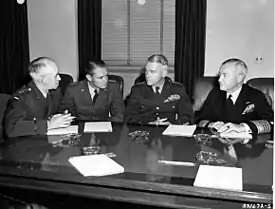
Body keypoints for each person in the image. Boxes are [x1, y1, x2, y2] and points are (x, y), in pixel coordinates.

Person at [197, 58, 273, 137]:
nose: (219, 79)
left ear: (239, 77)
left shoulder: (255, 96)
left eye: (224, 75)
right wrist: (211, 124)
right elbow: (200, 119)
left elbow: (271, 122)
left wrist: (243, 127)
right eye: (220, 75)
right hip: (219, 145)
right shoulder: (215, 94)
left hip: (246, 145)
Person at [4, 57, 74, 138]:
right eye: (55, 76)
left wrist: (62, 117)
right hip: (26, 145)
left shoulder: (54, 92)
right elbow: (11, 129)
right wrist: (48, 124)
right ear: (42, 79)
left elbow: (59, 109)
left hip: (47, 142)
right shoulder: (23, 98)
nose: (59, 78)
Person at [125, 54, 193, 125]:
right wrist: (149, 124)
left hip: (169, 131)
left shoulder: (177, 89)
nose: (147, 75)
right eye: (146, 71)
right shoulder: (137, 90)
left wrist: (172, 123)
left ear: (164, 73)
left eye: (152, 72)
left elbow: (188, 117)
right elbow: (129, 118)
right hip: (145, 131)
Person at [58, 60, 125, 122]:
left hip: (104, 126)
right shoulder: (73, 90)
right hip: (80, 127)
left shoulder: (113, 87)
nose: (106, 80)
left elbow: (120, 114)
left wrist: (105, 124)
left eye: (106, 76)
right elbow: (64, 113)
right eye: (101, 78)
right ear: (89, 77)